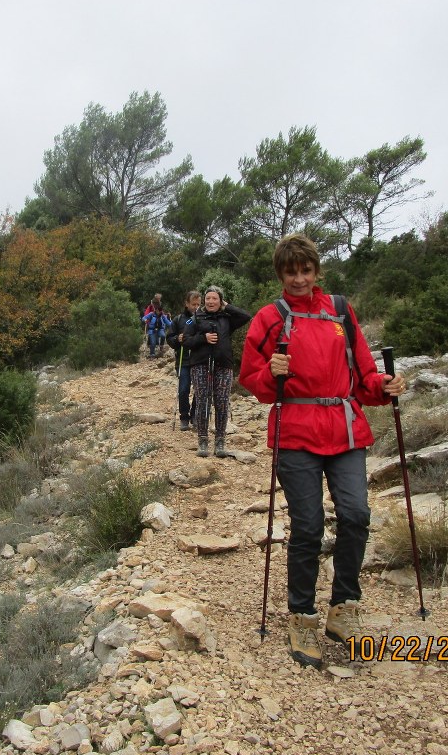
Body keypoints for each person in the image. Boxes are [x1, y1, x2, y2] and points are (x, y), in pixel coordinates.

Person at [238, 233, 406, 669]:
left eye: (305, 270)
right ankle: (302, 616)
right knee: (308, 527)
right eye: (290, 271)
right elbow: (252, 380)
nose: (298, 278)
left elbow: (364, 373)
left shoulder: (340, 310)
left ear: (316, 271)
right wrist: (268, 373)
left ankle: (344, 608)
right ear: (280, 274)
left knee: (356, 516)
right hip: (296, 432)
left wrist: (384, 388)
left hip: (345, 430)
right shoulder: (269, 318)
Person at [183, 286, 251, 457]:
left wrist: (227, 307)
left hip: (223, 365)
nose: (211, 301)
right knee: (203, 402)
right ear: (204, 300)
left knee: (221, 402)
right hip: (200, 365)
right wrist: (203, 338)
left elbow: (246, 316)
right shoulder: (195, 318)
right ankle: (203, 441)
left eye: (215, 299)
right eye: (208, 298)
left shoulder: (227, 318)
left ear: (220, 301)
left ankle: (220, 441)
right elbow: (186, 340)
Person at [167, 291, 202, 430]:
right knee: (183, 389)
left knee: (200, 390)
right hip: (183, 360)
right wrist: (177, 339)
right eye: (193, 304)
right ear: (186, 304)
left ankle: (195, 415)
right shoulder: (178, 319)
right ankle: (184, 417)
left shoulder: (203, 318)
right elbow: (169, 338)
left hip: (199, 359)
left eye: (198, 304)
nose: (196, 307)